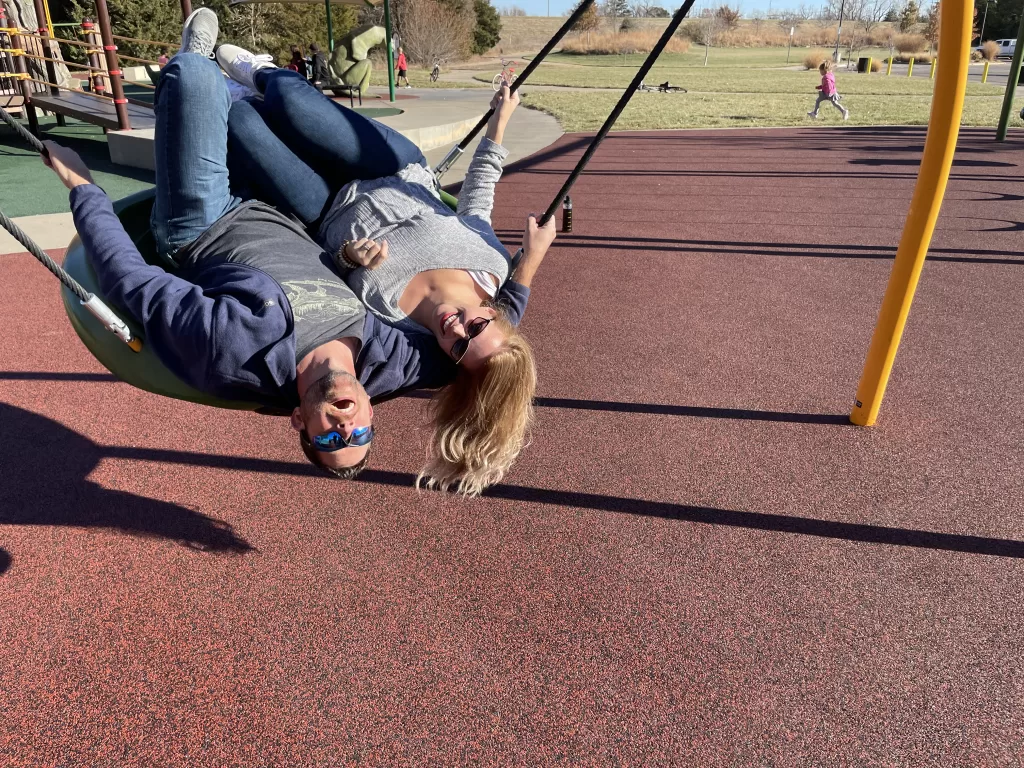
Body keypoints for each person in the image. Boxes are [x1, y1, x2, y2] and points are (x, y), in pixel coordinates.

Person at [42, 9, 472, 480]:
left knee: (194, 78)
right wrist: (527, 266)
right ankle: (255, 80)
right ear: (371, 413)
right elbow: (489, 342)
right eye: (359, 436)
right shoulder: (398, 363)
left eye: (329, 440)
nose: (343, 427)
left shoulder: (235, 353)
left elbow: (131, 282)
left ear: (298, 422)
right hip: (294, 216)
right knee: (306, 126)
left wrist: (80, 187)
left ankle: (200, 65)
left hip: (206, 223)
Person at [218, 43, 557, 496]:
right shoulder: (491, 268)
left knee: (242, 124)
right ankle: (260, 72)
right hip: (393, 169)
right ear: (495, 314)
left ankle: (224, 92)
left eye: (458, 348)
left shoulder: (401, 335)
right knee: (293, 102)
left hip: (325, 208)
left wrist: (345, 260)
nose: (455, 328)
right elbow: (478, 197)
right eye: (475, 325)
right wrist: (501, 121)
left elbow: (325, 294)